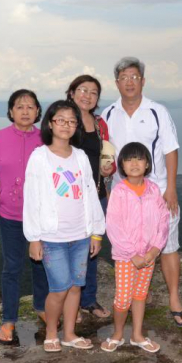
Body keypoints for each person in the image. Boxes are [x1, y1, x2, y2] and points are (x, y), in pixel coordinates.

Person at [101, 56, 182, 328]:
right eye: (124, 78)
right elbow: (107, 154)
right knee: (130, 242)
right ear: (116, 83)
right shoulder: (108, 114)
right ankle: (141, 290)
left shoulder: (157, 111)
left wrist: (172, 189)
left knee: (167, 244)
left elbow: (170, 150)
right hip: (123, 192)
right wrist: (106, 172)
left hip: (158, 190)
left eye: (134, 77)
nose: (129, 82)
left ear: (143, 81)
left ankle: (174, 300)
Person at [24, 100, 106, 352]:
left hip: (80, 234)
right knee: (59, 288)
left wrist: (96, 232)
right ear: (50, 123)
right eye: (60, 120)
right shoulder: (40, 157)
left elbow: (91, 193)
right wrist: (34, 237)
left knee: (75, 287)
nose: (66, 125)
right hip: (52, 237)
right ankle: (51, 333)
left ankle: (69, 333)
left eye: (72, 121)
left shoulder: (80, 157)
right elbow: (32, 198)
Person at [0, 89, 49, 345]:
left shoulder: (46, 138)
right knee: (12, 269)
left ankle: (42, 307)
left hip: (41, 217)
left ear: (38, 112)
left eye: (31, 107)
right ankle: (8, 320)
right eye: (19, 106)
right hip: (9, 216)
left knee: (41, 265)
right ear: (10, 111)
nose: (25, 111)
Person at [101, 142, 169, 353]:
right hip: (125, 257)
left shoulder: (153, 189)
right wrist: (132, 254)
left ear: (147, 163)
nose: (134, 163)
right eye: (129, 159)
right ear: (121, 164)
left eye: (139, 158)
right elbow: (113, 226)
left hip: (148, 255)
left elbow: (163, 220)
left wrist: (155, 250)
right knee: (122, 299)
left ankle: (138, 335)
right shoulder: (119, 191)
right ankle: (118, 334)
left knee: (140, 295)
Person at [66, 75, 115, 319]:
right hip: (70, 198)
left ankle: (88, 300)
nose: (87, 95)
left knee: (92, 249)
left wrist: (109, 168)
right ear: (72, 92)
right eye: (82, 90)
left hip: (97, 196)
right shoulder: (65, 118)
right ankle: (68, 302)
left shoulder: (99, 123)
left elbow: (106, 155)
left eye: (93, 92)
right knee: (68, 249)